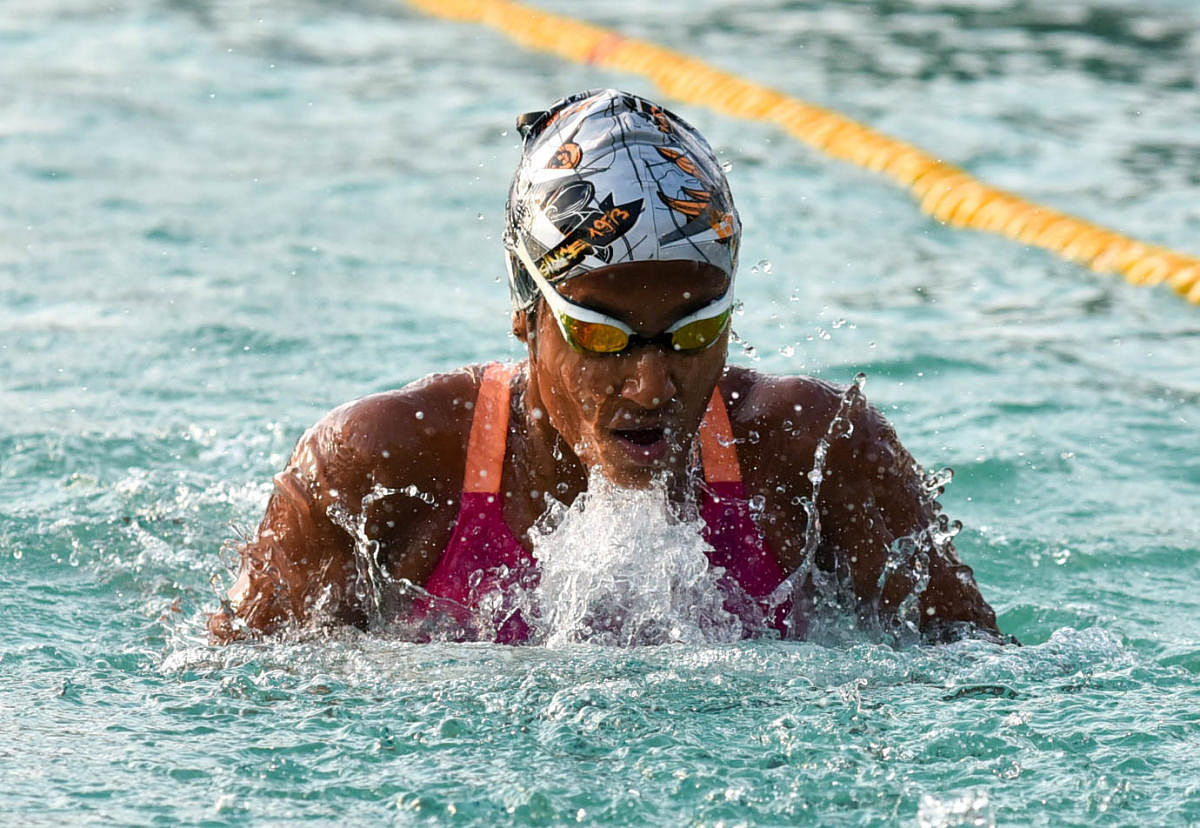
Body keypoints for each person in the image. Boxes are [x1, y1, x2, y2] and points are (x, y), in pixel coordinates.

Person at [207, 89, 1003, 645]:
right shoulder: (380, 466)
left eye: (693, 333)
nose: (652, 385)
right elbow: (238, 704)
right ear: (528, 315)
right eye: (603, 334)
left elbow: (976, 687)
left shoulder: (819, 456)